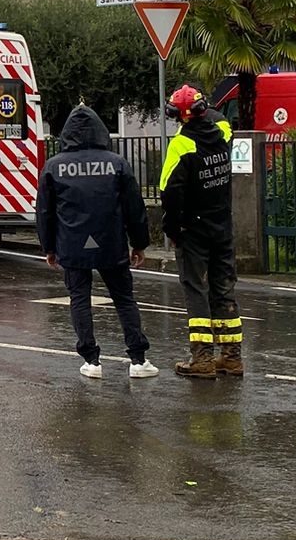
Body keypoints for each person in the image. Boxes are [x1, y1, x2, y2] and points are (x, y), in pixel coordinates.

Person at [36, 105, 156, 380]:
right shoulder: (116, 163)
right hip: (111, 243)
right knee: (124, 299)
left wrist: (49, 247)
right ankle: (138, 360)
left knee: (79, 299)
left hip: (72, 244)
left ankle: (91, 361)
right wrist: (139, 243)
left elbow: (44, 210)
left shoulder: (54, 166)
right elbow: (134, 208)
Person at [158, 85, 242, 379]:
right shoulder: (222, 133)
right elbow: (220, 118)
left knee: (197, 290)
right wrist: (201, 108)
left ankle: (203, 360)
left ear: (178, 116)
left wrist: (173, 230)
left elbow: (168, 192)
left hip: (193, 230)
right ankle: (231, 357)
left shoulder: (181, 146)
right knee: (223, 288)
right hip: (222, 226)